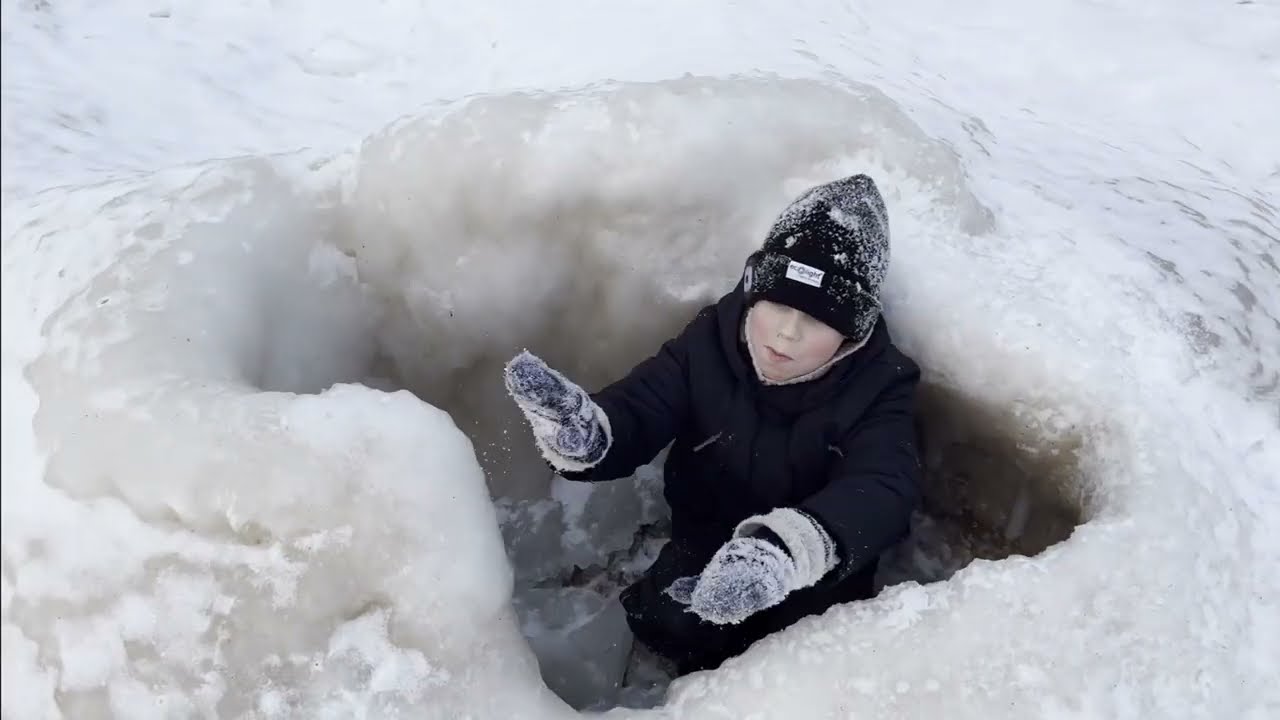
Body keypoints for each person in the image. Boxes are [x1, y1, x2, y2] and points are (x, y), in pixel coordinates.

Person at [504, 174, 922, 675]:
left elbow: (883, 487)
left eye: (817, 318)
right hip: (707, 540)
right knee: (664, 620)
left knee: (790, 672)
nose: (787, 332)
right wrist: (592, 435)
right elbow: (645, 404)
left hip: (810, 576)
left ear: (851, 332)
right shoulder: (712, 340)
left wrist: (785, 551)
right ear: (754, 291)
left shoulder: (879, 384)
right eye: (780, 305)